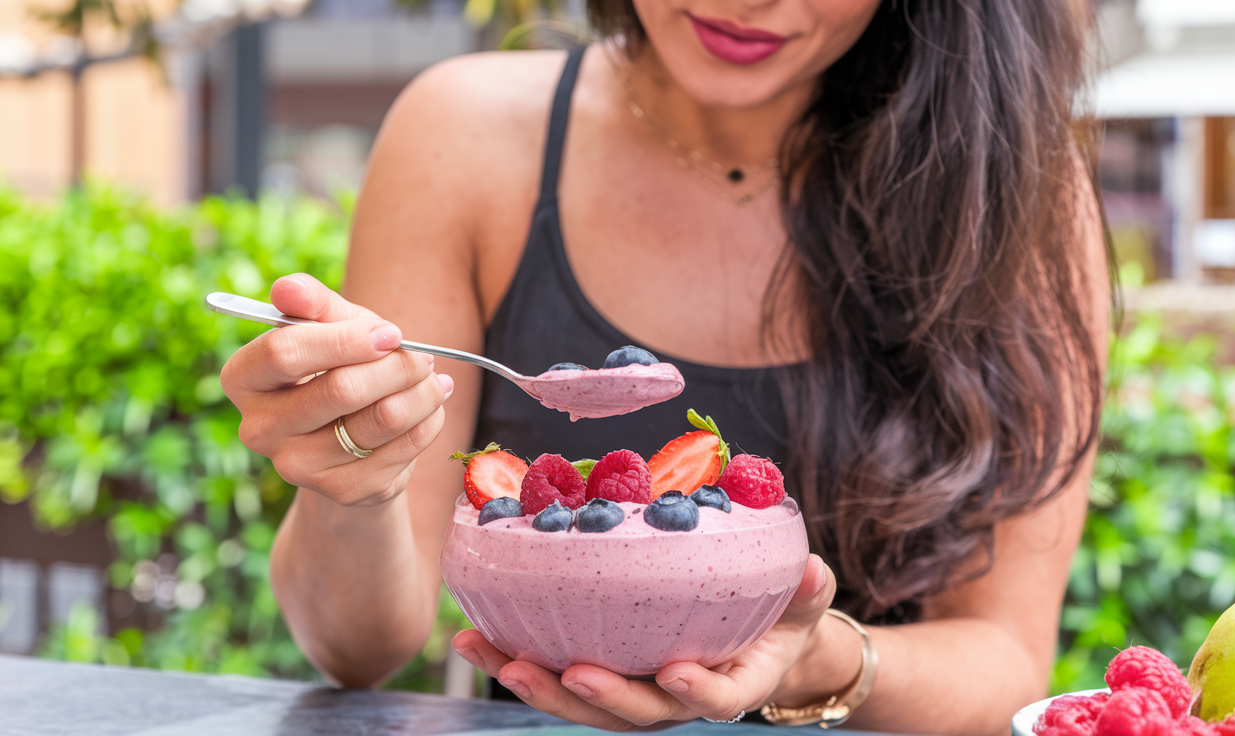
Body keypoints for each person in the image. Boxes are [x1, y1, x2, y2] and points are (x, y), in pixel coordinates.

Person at [219, 0, 1110, 732]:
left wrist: (817, 657)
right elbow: (356, 651)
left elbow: (1007, 662)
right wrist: (358, 485)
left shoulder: (1016, 186)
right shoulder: (466, 135)